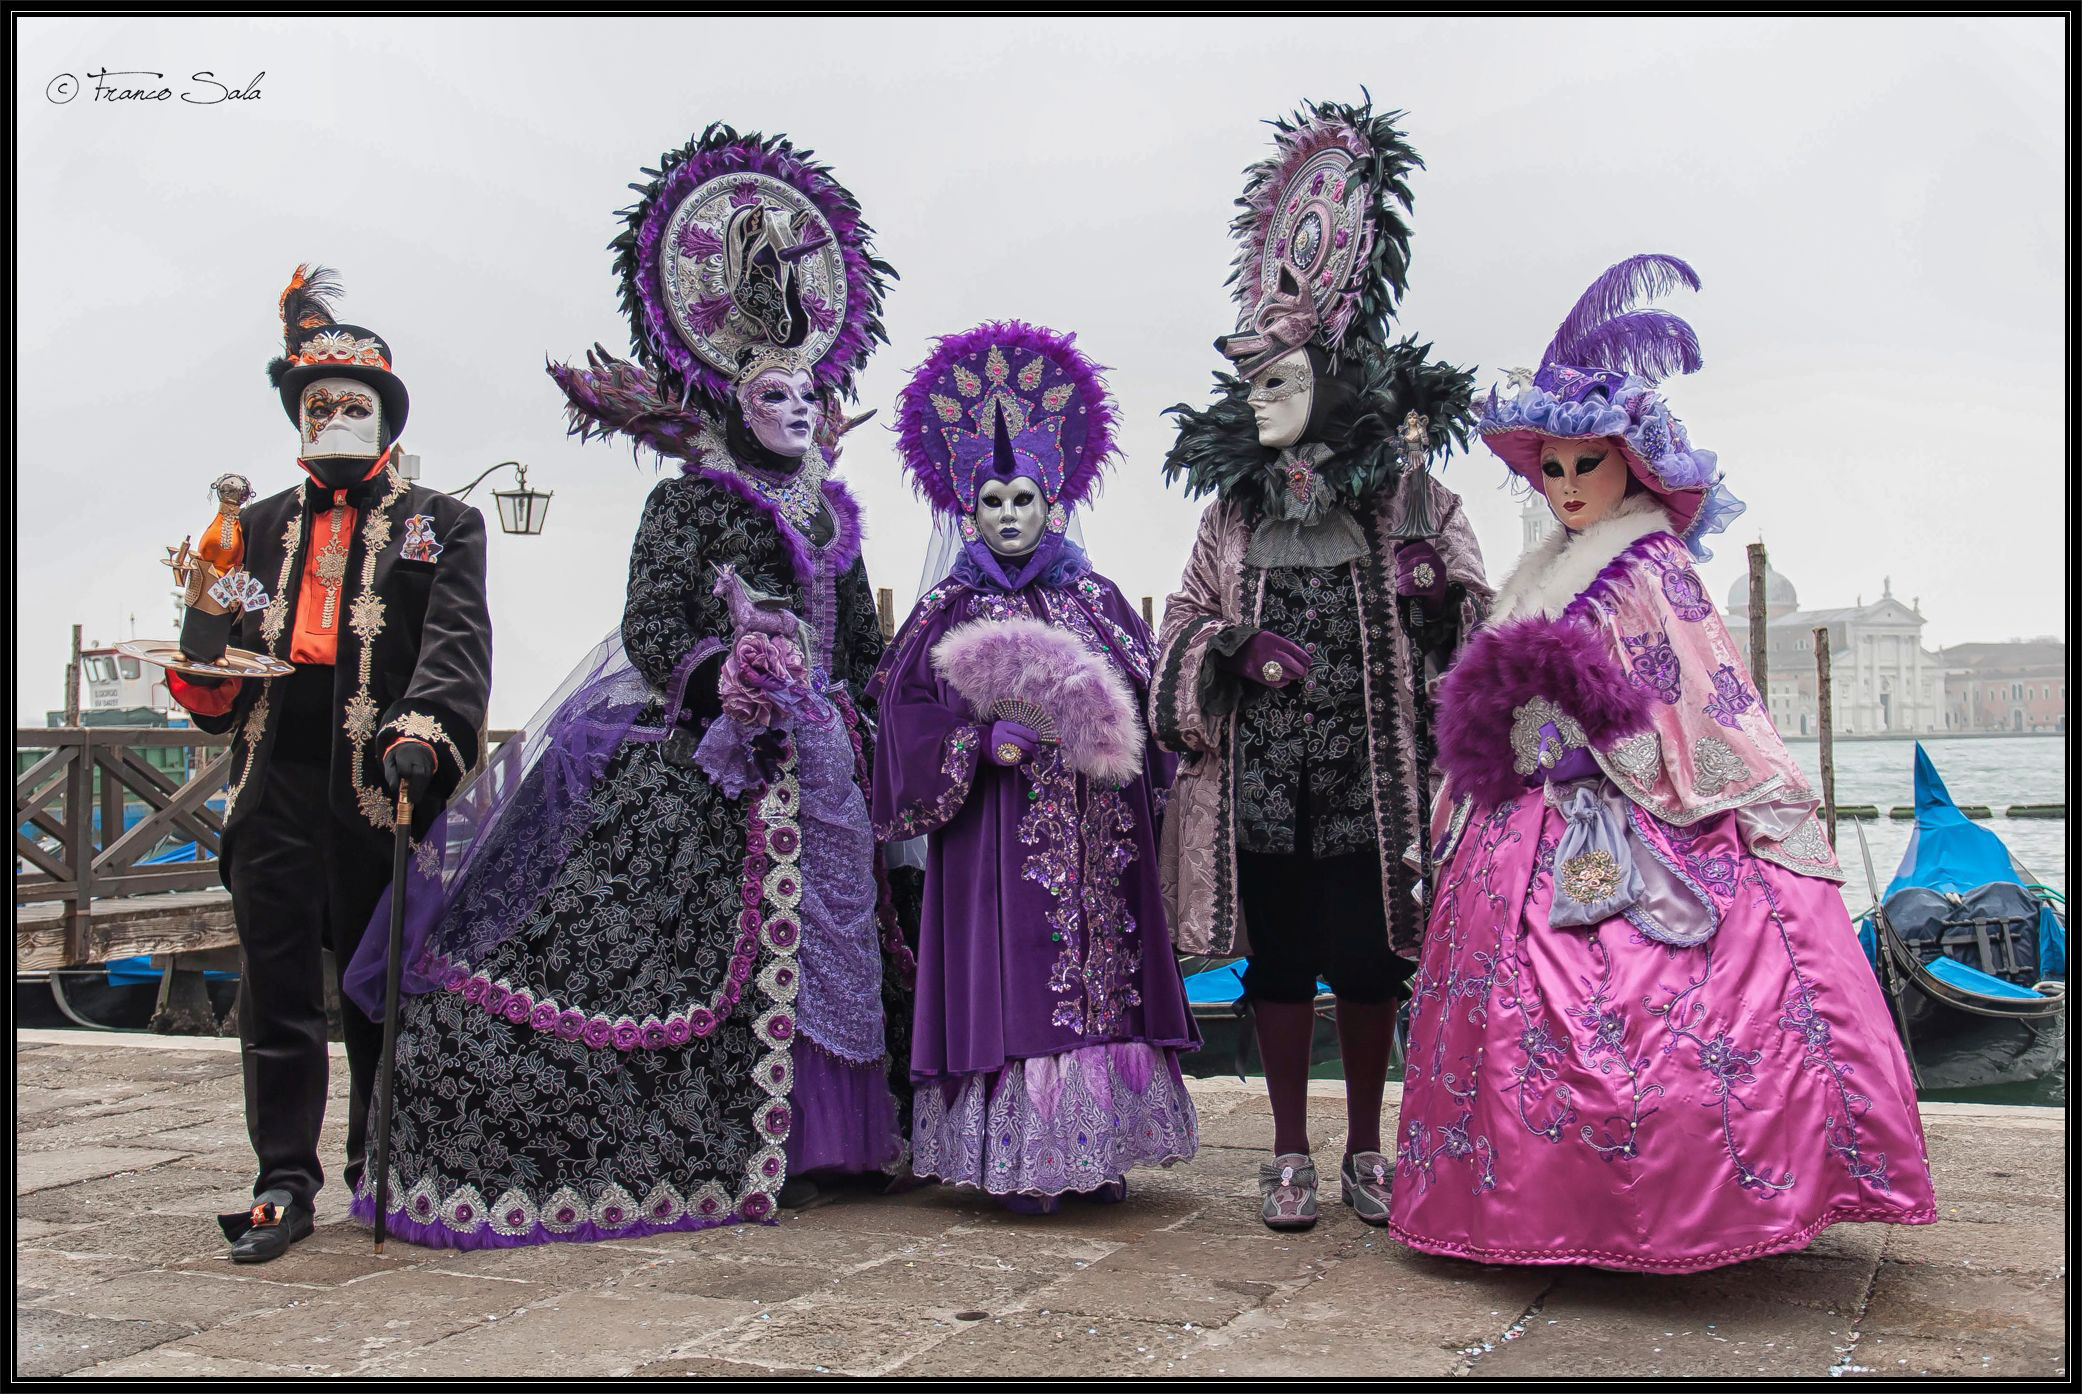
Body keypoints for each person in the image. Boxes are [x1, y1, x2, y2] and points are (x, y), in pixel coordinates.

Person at [343, 125, 911, 1248]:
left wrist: (868, 699)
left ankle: (844, 1141)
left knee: (840, 946)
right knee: (691, 959)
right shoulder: (687, 503)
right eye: (776, 390)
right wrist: (726, 674)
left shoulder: (836, 512)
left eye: (812, 392)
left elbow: (856, 637)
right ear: (735, 397)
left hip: (829, 775)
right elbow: (654, 621)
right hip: (720, 769)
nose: (799, 407)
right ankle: (752, 1145)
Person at [1389, 255, 1936, 1271]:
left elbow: (1701, 700)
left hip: (1643, 812)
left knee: (1655, 1010)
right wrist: (1519, 743)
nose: (1563, 487)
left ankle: (1673, 1213)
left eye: (1582, 467)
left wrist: (1593, 742)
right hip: (1527, 820)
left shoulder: (1652, 569)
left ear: (1630, 468)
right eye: (1548, 470)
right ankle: (1528, 1209)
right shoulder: (1535, 577)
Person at [1150, 97, 1489, 1231]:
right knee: (1281, 962)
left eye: (1282, 376)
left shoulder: (1411, 492)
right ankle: (1287, 1148)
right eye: (1252, 384)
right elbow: (1182, 623)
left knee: (1369, 961)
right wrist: (1232, 646)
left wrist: (1436, 596)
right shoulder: (1233, 517)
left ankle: (1363, 1147)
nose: (1261, 399)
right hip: (1265, 780)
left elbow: (1479, 638)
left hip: (1372, 780)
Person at [162, 266, 492, 1263]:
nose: (334, 413)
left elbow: (455, 646)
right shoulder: (253, 525)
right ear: (298, 416)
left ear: (384, 414)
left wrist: (423, 732)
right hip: (273, 780)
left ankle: (380, 1162)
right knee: (275, 987)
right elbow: (212, 682)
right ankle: (281, 1176)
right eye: (319, 402)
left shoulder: (445, 521)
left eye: (353, 401)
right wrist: (203, 619)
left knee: (376, 986)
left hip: (380, 780)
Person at [869, 321, 1201, 1213]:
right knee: (1017, 983)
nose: (1009, 516)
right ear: (966, 511)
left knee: (1102, 976)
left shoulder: (1094, 601)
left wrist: (1115, 738)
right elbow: (898, 720)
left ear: (1054, 504)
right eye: (992, 502)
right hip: (994, 841)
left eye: (1024, 499)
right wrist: (978, 743)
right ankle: (1022, 1158)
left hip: (1101, 841)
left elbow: (1146, 700)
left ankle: (1096, 1146)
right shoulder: (948, 610)